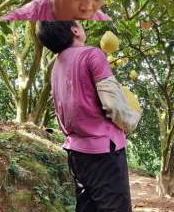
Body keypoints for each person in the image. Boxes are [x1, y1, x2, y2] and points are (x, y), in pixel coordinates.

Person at [36, 21, 141, 212]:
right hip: (103, 153)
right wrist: (132, 120)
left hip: (76, 152)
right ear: (75, 30)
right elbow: (113, 105)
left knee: (87, 207)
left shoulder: (56, 67)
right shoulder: (92, 54)